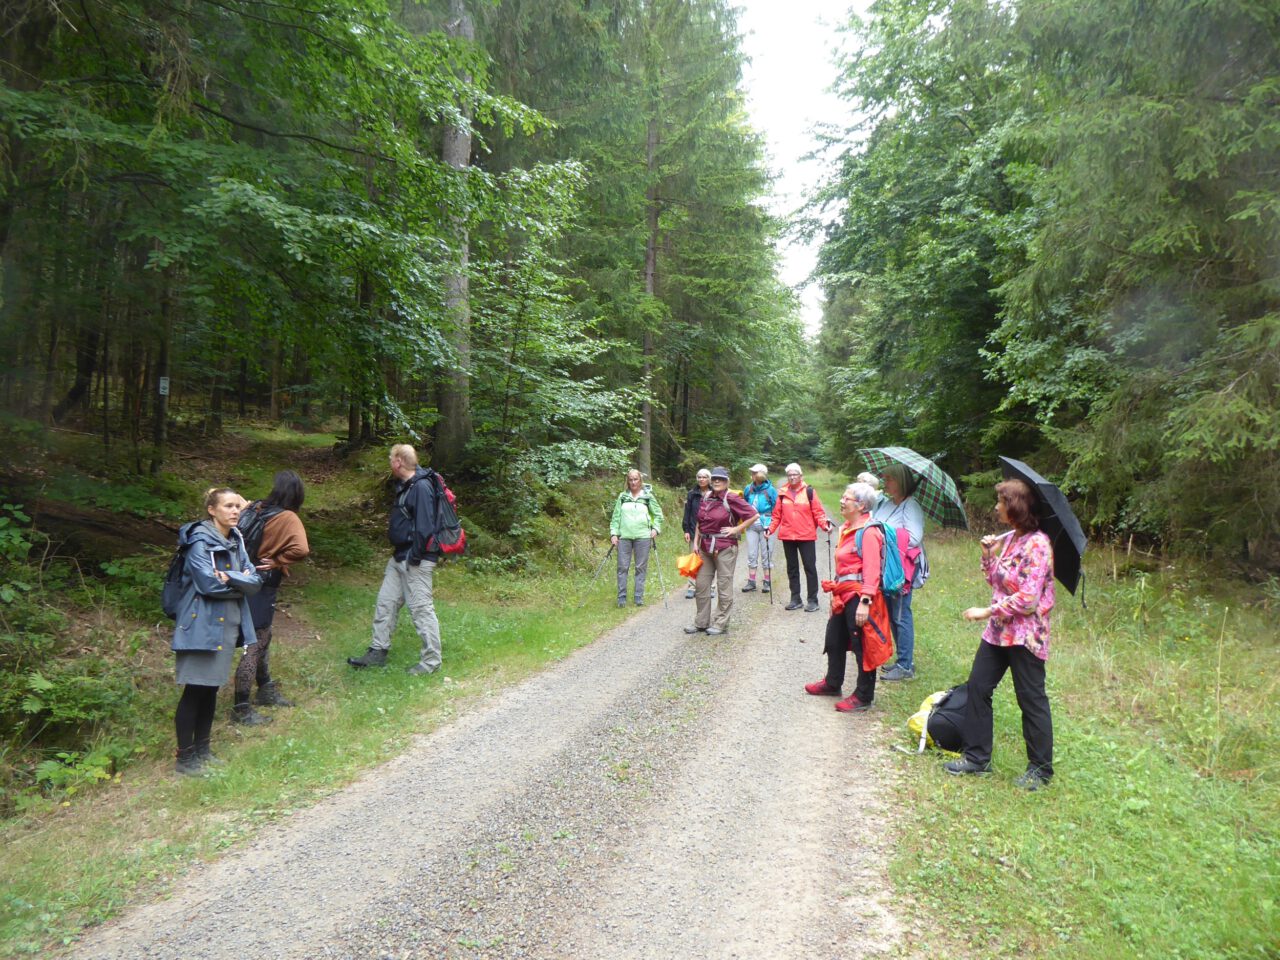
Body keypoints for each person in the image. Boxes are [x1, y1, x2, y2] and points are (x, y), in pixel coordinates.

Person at [945, 478, 1056, 790]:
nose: (996, 507)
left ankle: (1040, 770)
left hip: (1025, 635)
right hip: (998, 633)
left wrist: (987, 611)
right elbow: (996, 581)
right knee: (978, 687)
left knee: (1031, 699)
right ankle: (977, 758)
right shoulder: (1010, 539)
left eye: (1001, 503)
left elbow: (1029, 599)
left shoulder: (1038, 545)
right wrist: (988, 554)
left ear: (1016, 508)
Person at [171, 488, 262, 776]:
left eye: (238, 506)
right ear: (212, 509)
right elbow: (208, 585)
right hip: (201, 624)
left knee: (210, 688)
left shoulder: (236, 539)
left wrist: (231, 577)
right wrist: (240, 581)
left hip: (226, 624)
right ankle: (185, 759)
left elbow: (256, 580)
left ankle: (203, 751)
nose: (235, 511)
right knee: (195, 689)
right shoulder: (199, 540)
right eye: (228, 506)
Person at [347, 444, 444, 676]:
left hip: (415, 560)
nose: (390, 463)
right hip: (399, 556)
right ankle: (377, 652)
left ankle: (431, 661)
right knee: (386, 602)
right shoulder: (406, 486)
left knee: (421, 610)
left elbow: (425, 526)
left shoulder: (421, 486)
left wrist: (415, 557)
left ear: (398, 461)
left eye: (391, 459)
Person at [230, 470, 310, 725]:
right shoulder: (288, 517)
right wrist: (279, 560)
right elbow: (302, 549)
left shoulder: (255, 508)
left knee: (264, 636)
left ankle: (265, 688)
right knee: (255, 643)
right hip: (262, 585)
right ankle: (241, 707)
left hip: (240, 579)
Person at [805, 482, 893, 712]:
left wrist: (865, 602)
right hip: (843, 593)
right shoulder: (847, 527)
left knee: (862, 645)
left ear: (861, 505)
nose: (842, 501)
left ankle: (864, 696)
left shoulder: (869, 532)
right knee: (834, 639)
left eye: (847, 499)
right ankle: (833, 683)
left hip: (859, 596)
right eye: (842, 497)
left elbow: (872, 571)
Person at [684, 466, 757, 636]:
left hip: (725, 547)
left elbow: (754, 515)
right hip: (704, 547)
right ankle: (701, 622)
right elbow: (700, 522)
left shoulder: (731, 498)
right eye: (714, 478)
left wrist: (736, 529)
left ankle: (720, 623)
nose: (717, 481)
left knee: (724, 586)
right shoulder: (707, 497)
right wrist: (696, 542)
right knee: (701, 586)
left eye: (721, 479)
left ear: (726, 482)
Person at [872, 463, 927, 682]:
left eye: (890, 479)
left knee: (901, 615)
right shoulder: (886, 504)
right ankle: (901, 661)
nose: (886, 482)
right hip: (886, 566)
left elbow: (914, 537)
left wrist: (886, 531)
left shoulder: (910, 506)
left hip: (902, 568)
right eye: (885, 478)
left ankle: (906, 665)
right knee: (892, 614)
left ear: (901, 481)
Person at [767, 462, 833, 612]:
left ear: (801, 476)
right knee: (792, 568)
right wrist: (770, 530)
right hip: (788, 536)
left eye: (795, 474)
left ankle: (813, 600)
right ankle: (795, 598)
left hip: (806, 535)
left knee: (810, 567)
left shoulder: (809, 491)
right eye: (789, 474)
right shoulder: (782, 492)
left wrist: (825, 526)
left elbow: (818, 513)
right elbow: (777, 515)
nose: (792, 477)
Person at [609, 469, 664, 607]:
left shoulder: (647, 497)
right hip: (624, 537)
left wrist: (655, 528)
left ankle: (638, 596)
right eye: (631, 479)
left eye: (636, 479)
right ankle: (621, 598)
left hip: (643, 537)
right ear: (627, 481)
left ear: (640, 480)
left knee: (640, 567)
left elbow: (658, 514)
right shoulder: (622, 497)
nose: (633, 482)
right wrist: (614, 533)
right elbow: (615, 517)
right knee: (622, 567)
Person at [741, 464, 777, 594]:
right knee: (752, 553)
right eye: (752, 472)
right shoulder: (748, 489)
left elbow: (776, 507)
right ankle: (751, 581)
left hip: (766, 524)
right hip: (751, 524)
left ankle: (767, 582)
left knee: (766, 553)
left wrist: (772, 524)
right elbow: (745, 504)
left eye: (755, 472)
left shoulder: (770, 490)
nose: (753, 474)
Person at [681, 469, 712, 599]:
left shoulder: (714, 493)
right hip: (694, 531)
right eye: (699, 477)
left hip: (710, 533)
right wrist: (686, 530)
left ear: (709, 479)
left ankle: (710, 587)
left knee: (710, 560)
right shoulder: (692, 494)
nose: (701, 479)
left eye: (704, 477)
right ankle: (692, 586)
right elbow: (687, 513)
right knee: (694, 559)